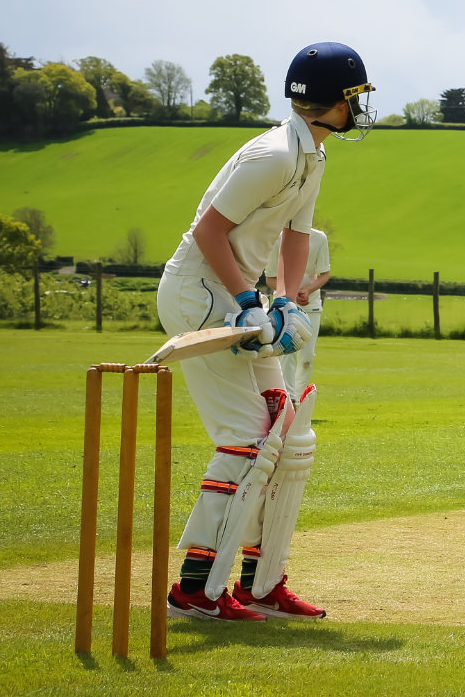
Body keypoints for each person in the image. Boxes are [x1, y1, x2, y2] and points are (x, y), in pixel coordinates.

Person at [157, 42, 374, 622]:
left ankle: (261, 583)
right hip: (200, 292)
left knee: (287, 435)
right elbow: (208, 233)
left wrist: (288, 301)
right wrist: (250, 300)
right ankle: (193, 589)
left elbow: (296, 235)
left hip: (239, 296)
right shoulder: (273, 155)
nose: (362, 106)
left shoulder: (312, 157)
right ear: (330, 102)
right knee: (247, 439)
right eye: (357, 96)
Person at [264, 225, 331, 401]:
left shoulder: (319, 238)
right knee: (287, 355)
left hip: (312, 304)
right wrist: (291, 293)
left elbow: (325, 274)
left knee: (307, 357)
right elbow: (271, 278)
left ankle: (299, 401)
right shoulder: (277, 238)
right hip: (285, 305)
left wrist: (308, 290)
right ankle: (289, 400)